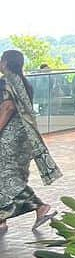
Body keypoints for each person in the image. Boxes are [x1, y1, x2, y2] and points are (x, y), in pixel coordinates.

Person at [0, 49, 60, 233]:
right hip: (24, 136)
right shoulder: (25, 83)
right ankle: (1, 219)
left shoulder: (6, 82)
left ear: (6, 63)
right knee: (12, 174)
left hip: (9, 136)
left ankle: (39, 206)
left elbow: (8, 107)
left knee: (6, 176)